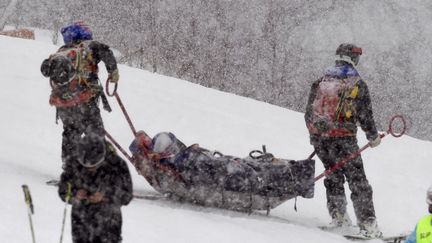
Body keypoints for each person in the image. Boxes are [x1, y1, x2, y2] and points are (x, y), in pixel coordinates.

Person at [304, 43, 382, 237]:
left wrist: (317, 135)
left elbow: (308, 114)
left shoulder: (321, 81)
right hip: (344, 140)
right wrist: (372, 136)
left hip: (321, 140)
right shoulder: (356, 84)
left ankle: (338, 216)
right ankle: (368, 225)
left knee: (333, 177)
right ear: (353, 59)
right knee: (358, 181)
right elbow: (365, 114)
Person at [40, 21, 119, 168]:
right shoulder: (89, 46)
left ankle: (70, 167)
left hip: (64, 104)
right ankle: (95, 169)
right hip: (85, 101)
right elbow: (106, 52)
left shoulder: (62, 50)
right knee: (95, 133)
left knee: (71, 133)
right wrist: (113, 72)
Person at [58, 134, 133, 243]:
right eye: (86, 166)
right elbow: (63, 190)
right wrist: (75, 194)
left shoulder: (117, 165)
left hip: (109, 224)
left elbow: (127, 195)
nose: (91, 169)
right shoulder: (74, 164)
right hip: (80, 224)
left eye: (95, 165)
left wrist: (105, 195)